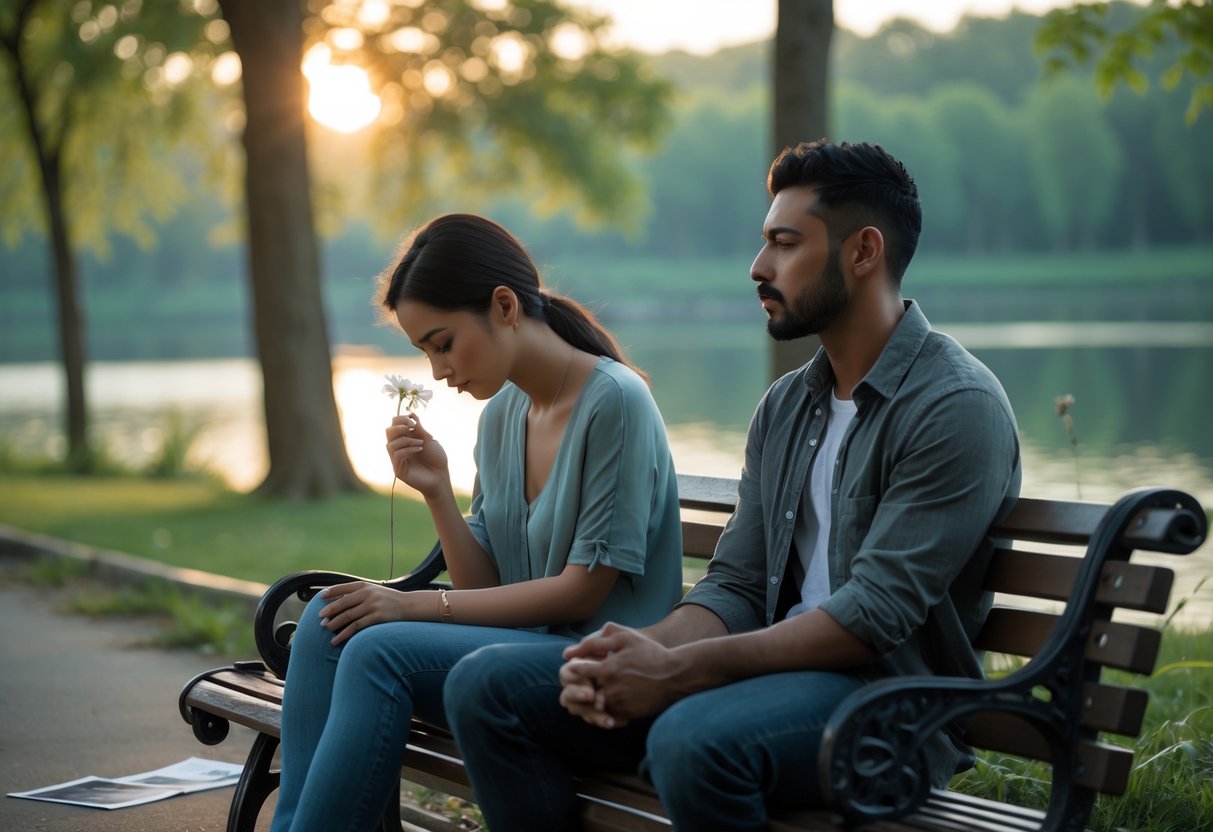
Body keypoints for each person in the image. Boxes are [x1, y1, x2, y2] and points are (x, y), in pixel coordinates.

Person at [443, 140, 1023, 830]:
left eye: (784, 244)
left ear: (862, 252)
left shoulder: (952, 405)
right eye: (763, 242)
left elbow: (871, 615)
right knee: (486, 686)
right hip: (762, 680)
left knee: (692, 742)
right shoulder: (786, 405)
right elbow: (739, 584)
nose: (758, 267)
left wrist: (682, 670)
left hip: (883, 709)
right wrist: (648, 648)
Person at [269, 213, 684, 832]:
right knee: (325, 624)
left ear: (504, 305)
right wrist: (437, 491)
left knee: (380, 650)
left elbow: (582, 591)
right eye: (425, 351)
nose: (439, 370)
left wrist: (410, 607)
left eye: (443, 342)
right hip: (514, 658)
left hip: (601, 669)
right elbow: (480, 591)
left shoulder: (615, 401)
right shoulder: (502, 416)